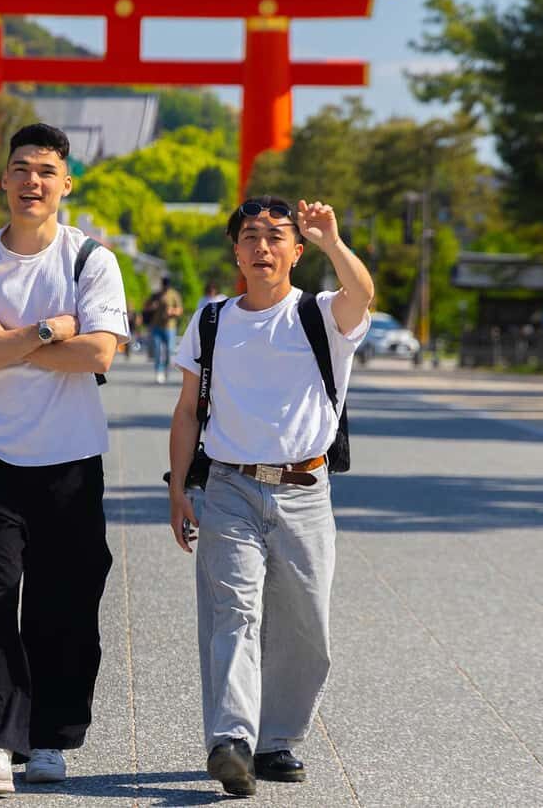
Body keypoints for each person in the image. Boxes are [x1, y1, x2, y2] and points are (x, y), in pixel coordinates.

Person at [0, 123, 130, 796]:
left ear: (66, 184)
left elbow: (101, 354)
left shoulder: (91, 262)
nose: (32, 182)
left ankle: (49, 738)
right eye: (21, 168)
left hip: (71, 463)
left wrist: (7, 341)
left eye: (46, 171)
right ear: (3, 179)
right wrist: (51, 329)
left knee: (65, 605)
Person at [168, 195, 373, 797]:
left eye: (276, 236)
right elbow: (186, 411)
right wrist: (179, 487)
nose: (262, 246)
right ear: (236, 250)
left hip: (306, 490)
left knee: (306, 628)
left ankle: (277, 739)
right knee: (233, 612)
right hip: (230, 485)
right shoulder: (211, 320)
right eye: (250, 236)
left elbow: (362, 295)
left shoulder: (323, 315)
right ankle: (230, 740)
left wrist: (335, 241)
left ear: (296, 251)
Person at [148, 275, 183, 384]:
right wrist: (153, 306)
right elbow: (146, 307)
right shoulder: (156, 295)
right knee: (157, 350)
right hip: (156, 326)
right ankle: (159, 371)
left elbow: (180, 310)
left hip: (169, 327)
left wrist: (172, 311)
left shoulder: (174, 295)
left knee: (169, 350)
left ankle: (166, 369)